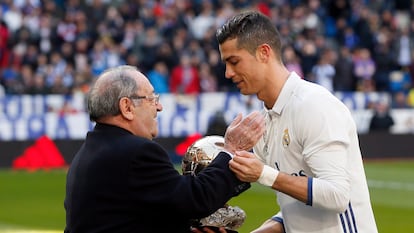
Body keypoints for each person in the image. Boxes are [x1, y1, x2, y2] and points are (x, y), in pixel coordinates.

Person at [215, 11, 378, 233]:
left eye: (234, 62)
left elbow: (337, 195)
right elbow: (297, 206)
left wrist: (263, 173)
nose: (228, 73)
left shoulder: (314, 105)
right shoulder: (266, 120)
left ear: (264, 53)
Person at [64, 65, 266, 233]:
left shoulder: (86, 154)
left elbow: (133, 219)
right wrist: (231, 150)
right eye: (151, 99)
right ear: (127, 107)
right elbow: (195, 200)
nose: (158, 107)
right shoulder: (137, 152)